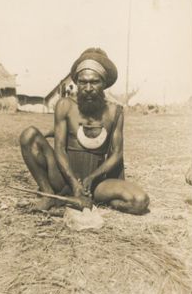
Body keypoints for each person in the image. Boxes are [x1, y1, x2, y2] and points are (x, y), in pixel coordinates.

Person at [20, 48, 149, 214]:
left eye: (95, 82)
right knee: (29, 135)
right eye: (83, 82)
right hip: (64, 177)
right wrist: (74, 183)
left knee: (140, 201)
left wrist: (92, 177)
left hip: (97, 182)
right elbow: (59, 148)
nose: (88, 87)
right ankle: (49, 194)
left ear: (104, 83)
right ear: (77, 82)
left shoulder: (115, 112)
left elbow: (117, 154)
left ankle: (90, 201)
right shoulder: (64, 105)